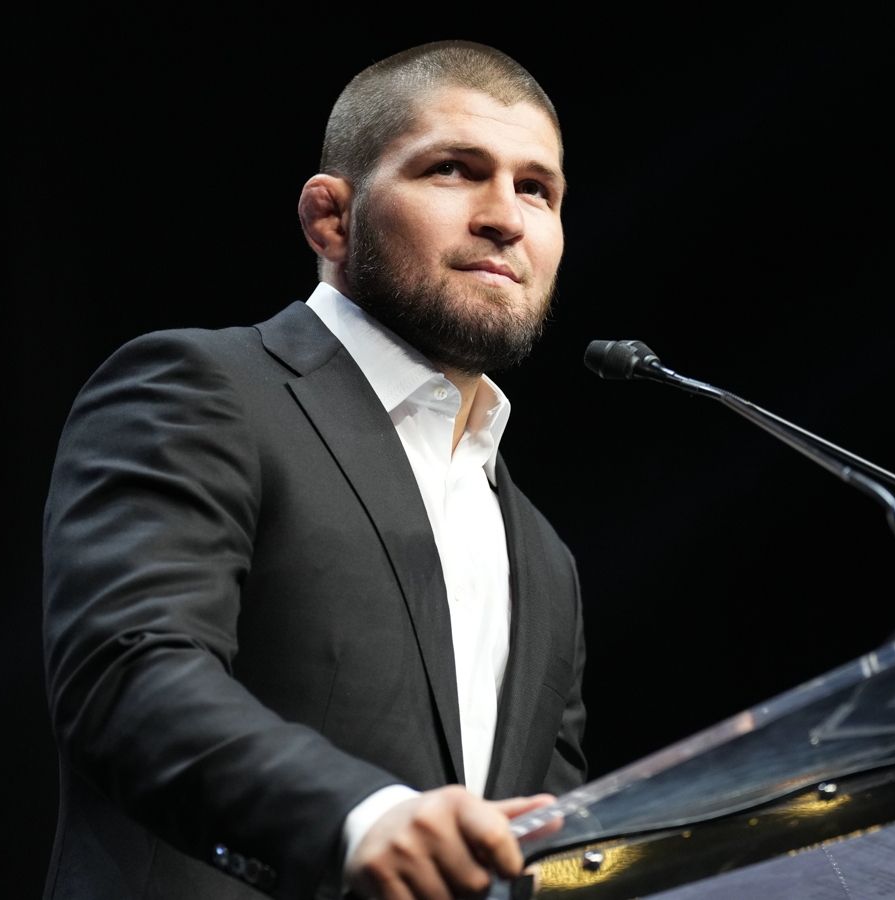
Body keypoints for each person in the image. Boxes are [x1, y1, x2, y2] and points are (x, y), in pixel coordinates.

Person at [41, 40, 586, 900]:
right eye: (453, 170)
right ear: (332, 218)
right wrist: (359, 817)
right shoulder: (204, 389)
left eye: (536, 189)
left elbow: (548, 843)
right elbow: (127, 674)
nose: (504, 217)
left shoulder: (545, 559)